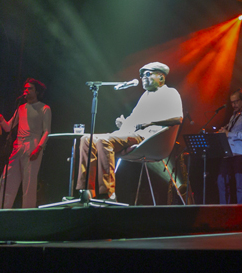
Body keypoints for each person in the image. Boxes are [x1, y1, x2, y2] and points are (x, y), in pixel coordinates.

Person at [75, 62, 184, 202]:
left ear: (161, 77)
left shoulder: (170, 93)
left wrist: (151, 123)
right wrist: (124, 124)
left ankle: (108, 194)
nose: (143, 78)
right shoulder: (146, 96)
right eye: (142, 75)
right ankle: (87, 191)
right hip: (133, 134)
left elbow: (177, 118)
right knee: (86, 139)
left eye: (148, 74)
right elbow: (134, 120)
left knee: (103, 141)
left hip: (149, 138)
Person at [0, 79, 51, 209]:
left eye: (29, 88)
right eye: (25, 88)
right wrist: (1, 120)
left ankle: (27, 213)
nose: (26, 91)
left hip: (33, 145)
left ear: (36, 91)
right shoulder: (21, 108)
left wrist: (39, 148)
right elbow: (8, 127)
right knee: (7, 179)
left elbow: (47, 131)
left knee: (29, 183)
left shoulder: (44, 108)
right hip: (18, 146)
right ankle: (2, 210)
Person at [217, 89, 242, 205]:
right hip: (230, 153)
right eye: (232, 102)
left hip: (241, 154)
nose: (233, 105)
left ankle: (241, 211)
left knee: (240, 184)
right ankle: (223, 210)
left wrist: (228, 134)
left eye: (236, 102)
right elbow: (229, 132)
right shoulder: (234, 116)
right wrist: (223, 131)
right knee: (221, 180)